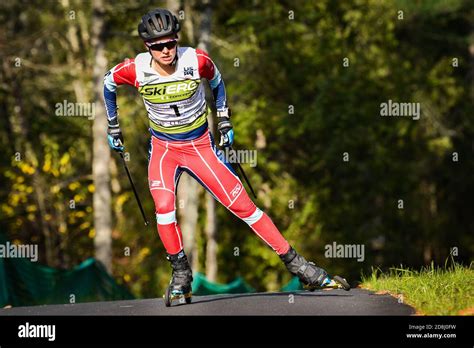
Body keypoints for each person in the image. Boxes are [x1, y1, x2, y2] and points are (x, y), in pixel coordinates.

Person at [103, 8, 331, 298]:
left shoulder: (196, 60)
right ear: (147, 47)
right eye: (157, 46)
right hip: (165, 149)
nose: (165, 51)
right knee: (163, 208)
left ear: (177, 40)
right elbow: (107, 84)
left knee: (244, 206)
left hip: (200, 148)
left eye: (170, 43)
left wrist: (223, 118)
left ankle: (299, 266)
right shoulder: (135, 69)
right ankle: (181, 273)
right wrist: (113, 126)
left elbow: (217, 81)